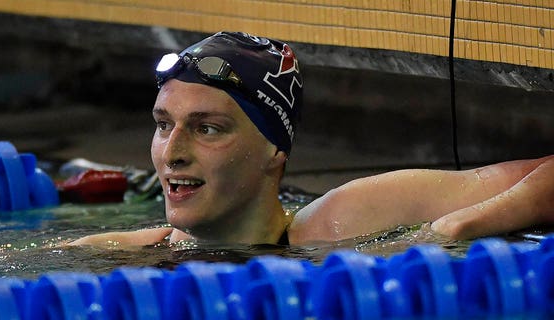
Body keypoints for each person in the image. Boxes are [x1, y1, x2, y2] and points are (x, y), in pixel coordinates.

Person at [70, 31, 554, 248]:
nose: (172, 153)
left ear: (274, 150)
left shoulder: (341, 222)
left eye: (206, 128)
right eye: (162, 124)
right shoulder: (117, 254)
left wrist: (459, 226)